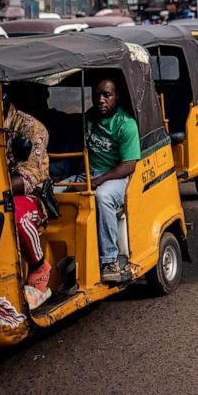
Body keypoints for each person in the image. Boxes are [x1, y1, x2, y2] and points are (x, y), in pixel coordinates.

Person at [84, 79, 140, 283]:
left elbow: (129, 165)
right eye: (97, 95)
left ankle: (109, 260)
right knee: (57, 191)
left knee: (102, 197)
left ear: (116, 97)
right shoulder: (89, 117)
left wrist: (100, 179)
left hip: (116, 176)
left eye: (106, 95)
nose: (100, 100)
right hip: (89, 172)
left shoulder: (126, 125)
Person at [3, 87, 52, 309]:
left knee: (15, 212)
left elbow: (29, 177)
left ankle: (39, 267)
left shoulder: (31, 128)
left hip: (30, 197)